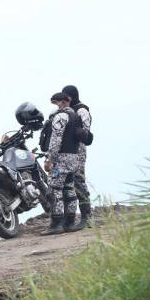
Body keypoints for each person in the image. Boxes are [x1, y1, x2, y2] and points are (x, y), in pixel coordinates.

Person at [42, 92, 85, 235]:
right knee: (69, 189)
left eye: (58, 102)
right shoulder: (76, 116)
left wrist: (49, 159)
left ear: (65, 101)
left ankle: (56, 224)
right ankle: (70, 222)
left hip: (60, 159)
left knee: (54, 190)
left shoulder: (60, 116)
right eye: (55, 103)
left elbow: (55, 140)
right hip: (73, 158)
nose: (57, 105)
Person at [62, 85, 92, 230]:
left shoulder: (81, 110)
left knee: (78, 181)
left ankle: (87, 217)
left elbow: (86, 132)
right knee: (67, 183)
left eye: (65, 96)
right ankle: (69, 219)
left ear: (71, 97)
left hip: (78, 149)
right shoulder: (67, 111)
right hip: (66, 152)